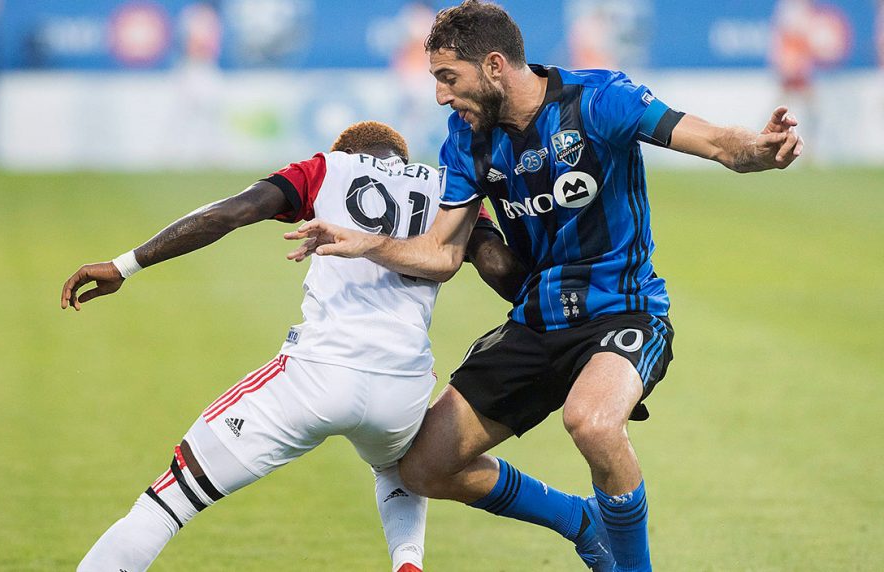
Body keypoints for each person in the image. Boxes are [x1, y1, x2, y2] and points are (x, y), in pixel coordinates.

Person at [285, 2, 803, 571]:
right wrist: (368, 243)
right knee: (424, 467)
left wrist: (761, 149)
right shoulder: (467, 139)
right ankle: (582, 523)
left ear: (494, 65)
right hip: (537, 322)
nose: (439, 96)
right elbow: (440, 254)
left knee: (594, 422)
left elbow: (716, 142)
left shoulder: (600, 99)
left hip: (623, 311)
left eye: (447, 77)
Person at [61, 120, 524, 572]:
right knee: (394, 469)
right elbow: (498, 267)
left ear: (348, 152)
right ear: (400, 159)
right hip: (403, 389)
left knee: (168, 502)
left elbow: (228, 213)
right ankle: (408, 562)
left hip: (317, 375)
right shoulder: (448, 187)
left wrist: (125, 266)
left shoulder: (329, 167)